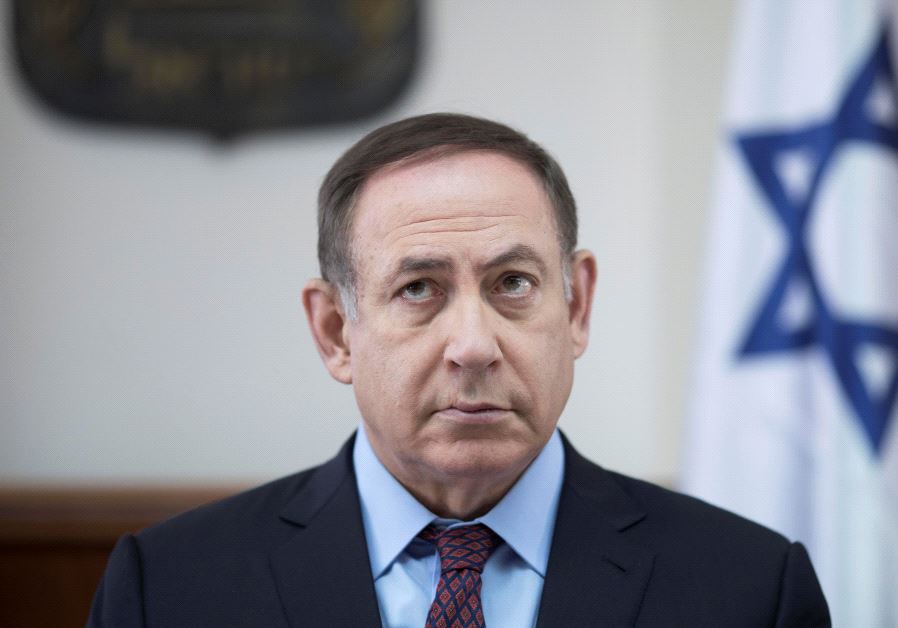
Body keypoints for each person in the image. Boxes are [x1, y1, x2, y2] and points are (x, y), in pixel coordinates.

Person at [87, 113, 830, 627]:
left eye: (513, 283)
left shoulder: (749, 589)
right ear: (335, 331)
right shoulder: (171, 588)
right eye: (419, 289)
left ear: (576, 307)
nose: (474, 346)